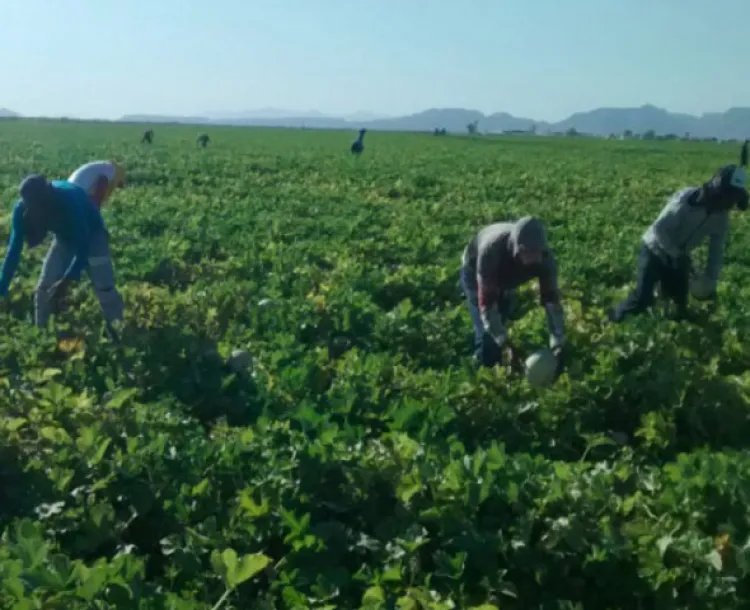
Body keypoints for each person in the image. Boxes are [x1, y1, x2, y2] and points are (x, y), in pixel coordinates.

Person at [609, 140, 749, 323]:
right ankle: (614, 320)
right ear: (717, 190)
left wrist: (710, 282)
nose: (729, 205)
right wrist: (676, 254)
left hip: (679, 255)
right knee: (642, 298)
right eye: (728, 198)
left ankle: (668, 325)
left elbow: (716, 251)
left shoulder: (721, 218)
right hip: (654, 250)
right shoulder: (685, 201)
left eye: (734, 201)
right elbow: (659, 230)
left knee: (679, 307)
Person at [0, 175, 124, 339]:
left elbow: (84, 243)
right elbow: (14, 250)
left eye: (39, 207)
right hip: (64, 238)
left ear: (49, 197)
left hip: (93, 236)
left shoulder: (69, 199)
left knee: (104, 287)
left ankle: (117, 332)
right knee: (44, 288)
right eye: (32, 208)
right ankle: (42, 337)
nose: (36, 211)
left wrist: (67, 280)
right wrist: (1, 288)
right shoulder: (22, 210)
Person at [460, 216, 566, 373]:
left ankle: (503, 365)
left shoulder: (545, 261)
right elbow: (487, 304)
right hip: (476, 272)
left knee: (502, 315)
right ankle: (484, 372)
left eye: (536, 253)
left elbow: (552, 301)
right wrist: (505, 343)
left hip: (508, 278)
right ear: (517, 249)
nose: (532, 258)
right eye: (527, 252)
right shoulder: (491, 251)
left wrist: (557, 341)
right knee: (487, 335)